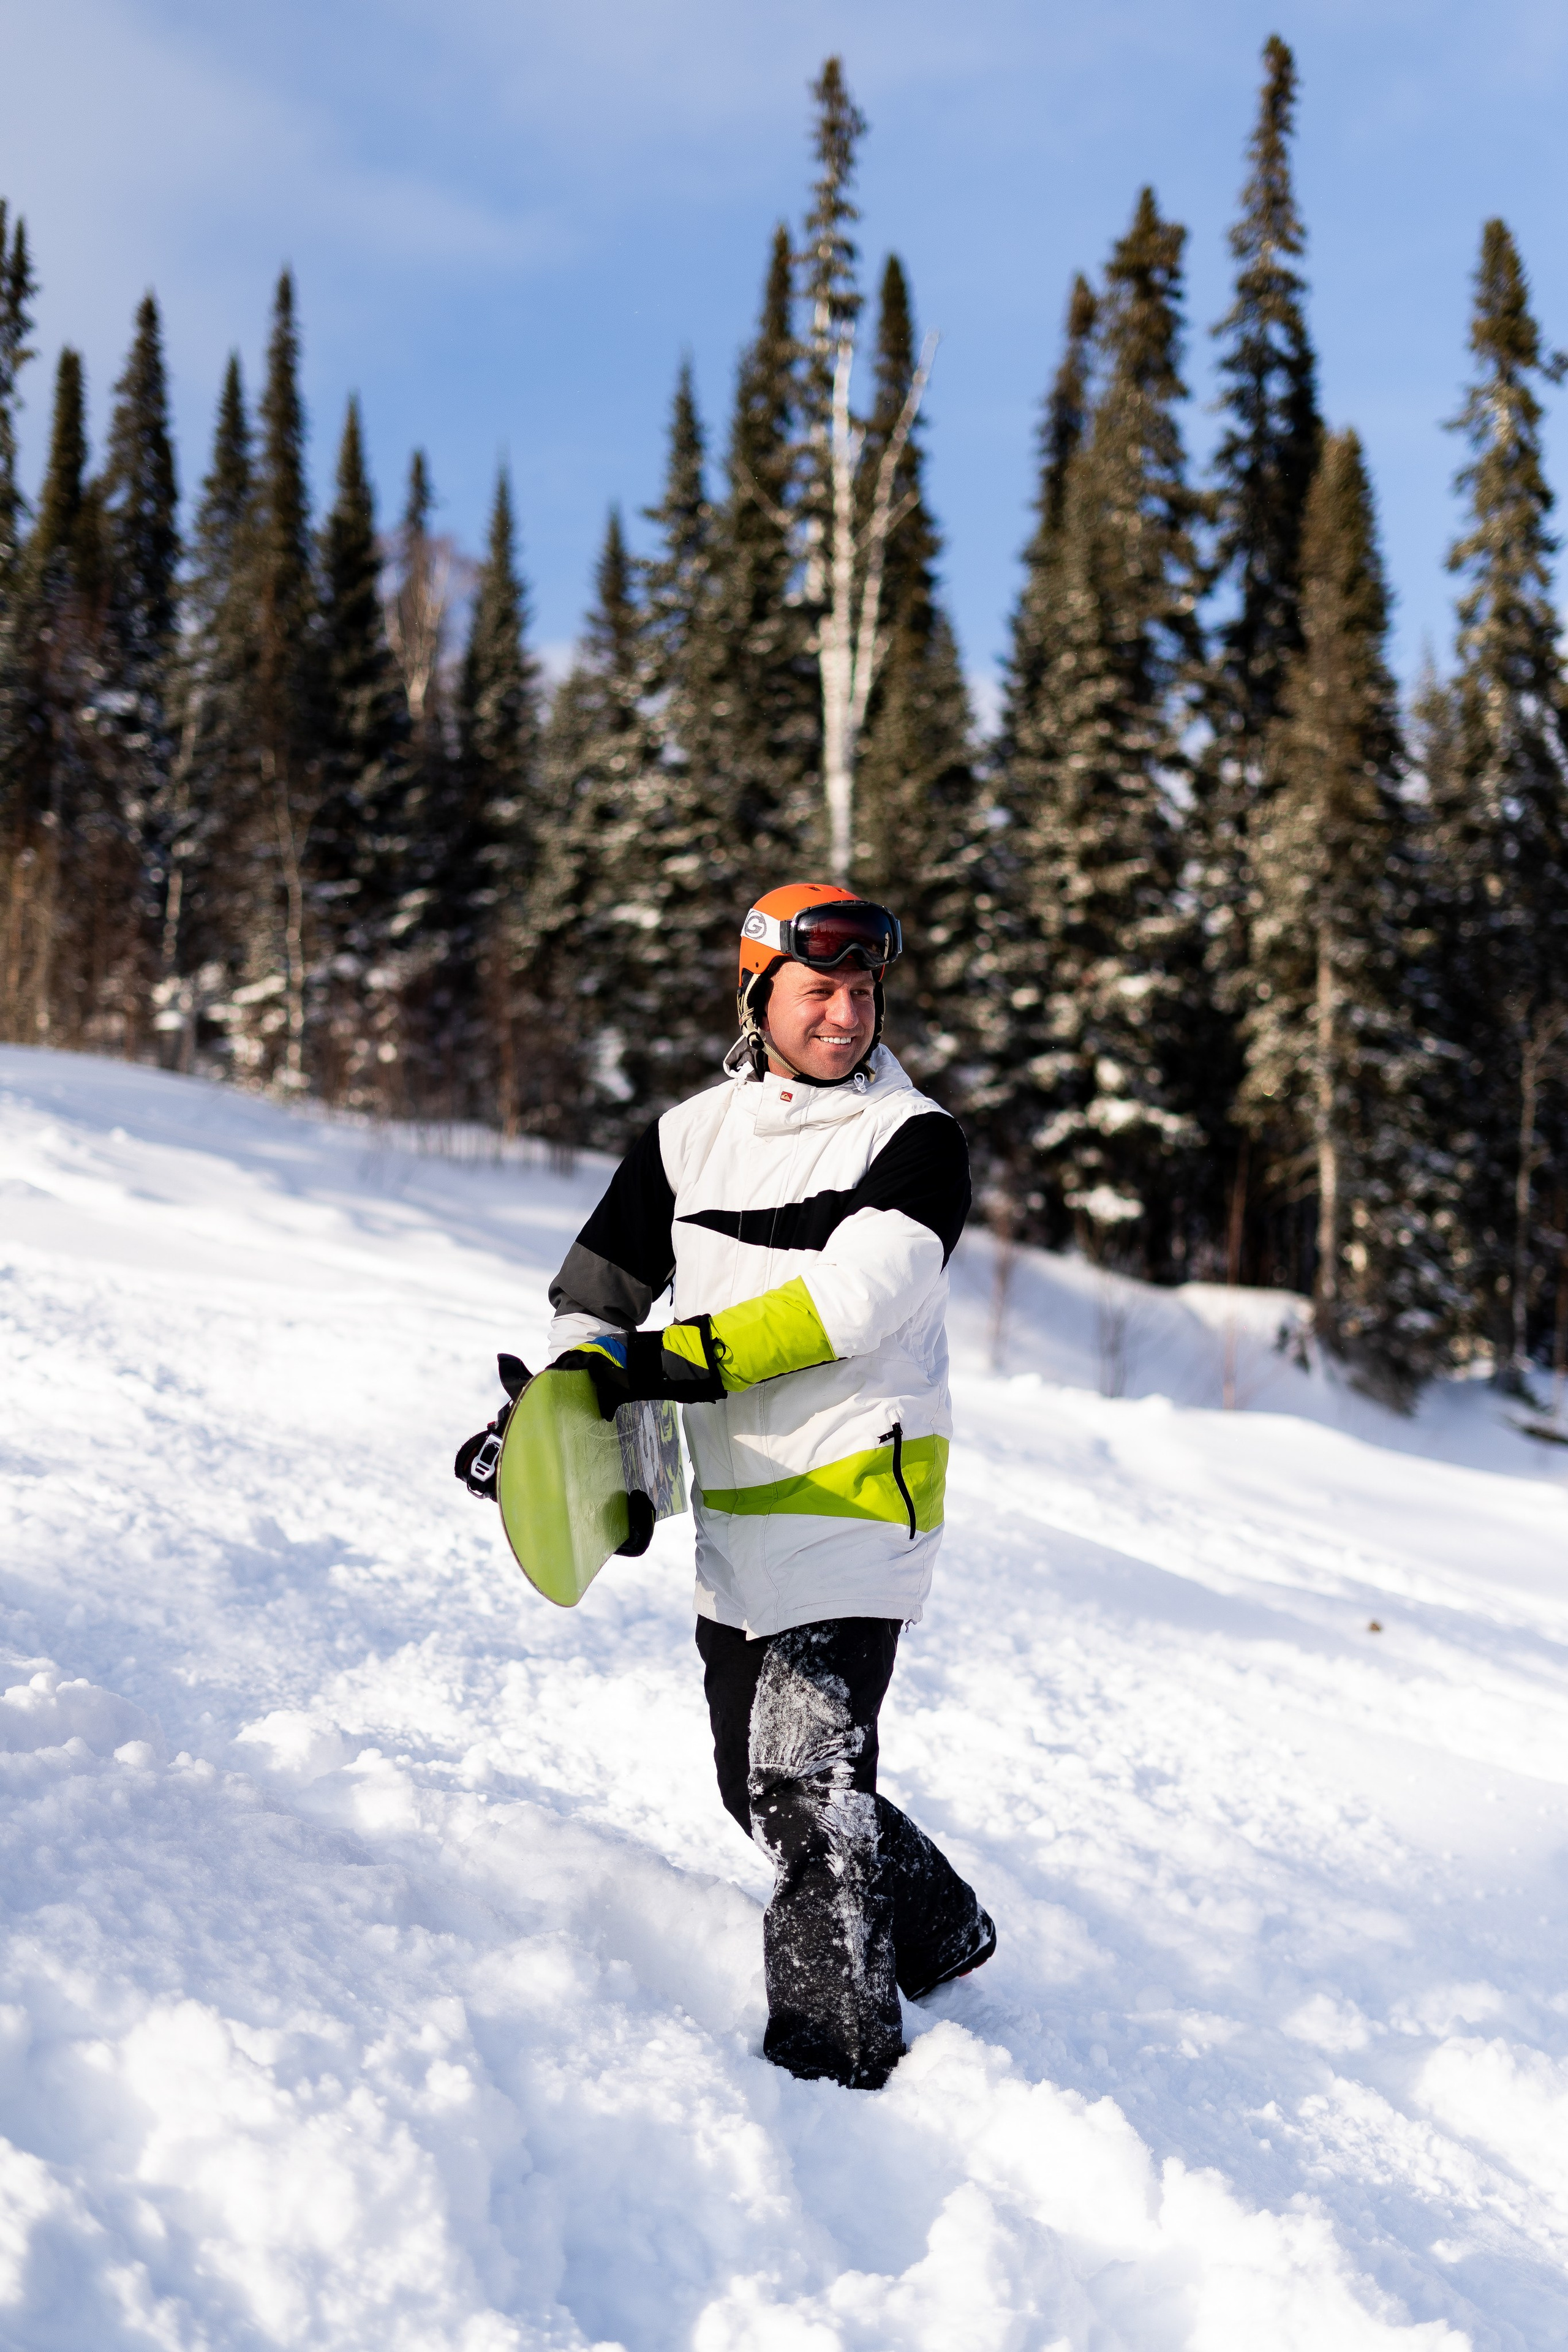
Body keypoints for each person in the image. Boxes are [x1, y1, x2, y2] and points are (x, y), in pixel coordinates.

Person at [545, 883, 995, 2089]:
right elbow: (597, 1294)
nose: (845, 1015)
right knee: (759, 1792)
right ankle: (943, 1927)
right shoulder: (686, 1139)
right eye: (818, 991)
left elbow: (851, 1306)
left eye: (861, 992)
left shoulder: (915, 1141)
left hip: (858, 1509)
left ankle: (834, 2064)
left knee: (804, 1786)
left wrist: (660, 1364)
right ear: (757, 995)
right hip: (737, 1517)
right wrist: (562, 1401)